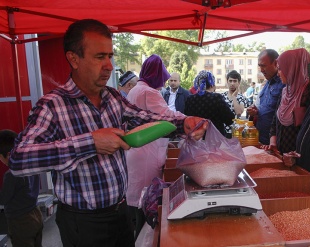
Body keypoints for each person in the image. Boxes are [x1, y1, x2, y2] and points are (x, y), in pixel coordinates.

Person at [7, 19, 207, 247]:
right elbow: (19, 159)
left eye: (110, 56)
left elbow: (145, 117)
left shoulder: (112, 97)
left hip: (120, 213)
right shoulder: (52, 105)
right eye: (99, 57)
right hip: (83, 223)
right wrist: (90, 143)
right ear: (74, 59)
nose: (109, 66)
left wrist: (184, 124)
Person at [125, 54, 187, 240]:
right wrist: (188, 121)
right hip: (146, 153)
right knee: (147, 203)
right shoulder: (149, 92)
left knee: (138, 204)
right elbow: (166, 114)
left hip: (136, 151)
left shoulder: (136, 89)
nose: (163, 82)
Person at [261, 48, 310, 155]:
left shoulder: (309, 93)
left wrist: (294, 155)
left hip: (298, 158)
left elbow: (309, 131)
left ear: (293, 68)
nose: (278, 73)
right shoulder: (285, 92)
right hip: (281, 156)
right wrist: (273, 144)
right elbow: (275, 122)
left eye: (281, 69)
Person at [0, 129, 43, 247]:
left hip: (20, 221)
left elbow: (3, 199)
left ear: (9, 155)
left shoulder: (11, 174)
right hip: (36, 213)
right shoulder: (31, 165)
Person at [247, 49, 285, 145]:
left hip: (275, 144)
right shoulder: (267, 84)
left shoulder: (284, 84)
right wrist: (255, 112)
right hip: (261, 140)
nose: (261, 70)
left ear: (276, 63)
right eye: (259, 66)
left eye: (263, 65)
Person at [185, 71, 235, 137]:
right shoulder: (216, 98)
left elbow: (187, 119)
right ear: (212, 84)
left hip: (196, 138)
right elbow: (229, 120)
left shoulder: (190, 99)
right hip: (216, 140)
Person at [221, 70, 248, 138]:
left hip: (236, 131)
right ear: (227, 82)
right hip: (222, 131)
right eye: (230, 81)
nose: (232, 83)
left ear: (239, 83)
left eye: (235, 81)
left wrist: (234, 97)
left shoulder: (241, 97)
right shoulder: (221, 96)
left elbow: (239, 112)